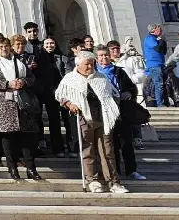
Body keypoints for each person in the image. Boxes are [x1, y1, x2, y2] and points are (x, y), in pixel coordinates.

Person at [56, 51, 129, 194]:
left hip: (103, 117)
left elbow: (112, 94)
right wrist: (70, 104)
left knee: (107, 151)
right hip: (83, 117)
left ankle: (113, 182)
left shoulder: (101, 77)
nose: (90, 66)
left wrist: (111, 106)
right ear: (78, 64)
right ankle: (92, 180)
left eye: (91, 63)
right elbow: (60, 95)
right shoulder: (70, 78)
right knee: (87, 149)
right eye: (86, 64)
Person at [0, 38, 42, 180]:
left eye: (6, 46)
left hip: (22, 104)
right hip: (4, 105)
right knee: (8, 138)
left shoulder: (18, 61)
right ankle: (12, 168)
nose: (4, 49)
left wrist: (22, 82)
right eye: (0, 47)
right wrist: (7, 83)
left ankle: (31, 169)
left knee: (27, 138)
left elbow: (32, 78)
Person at [94, 45, 146, 181]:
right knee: (111, 144)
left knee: (126, 142)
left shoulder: (119, 72)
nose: (104, 57)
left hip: (122, 111)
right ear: (96, 58)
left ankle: (132, 170)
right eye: (101, 55)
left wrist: (129, 92)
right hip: (104, 113)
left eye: (106, 55)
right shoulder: (93, 72)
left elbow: (131, 87)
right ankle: (114, 170)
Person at [110, 39, 146, 150]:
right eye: (113, 48)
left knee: (133, 116)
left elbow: (141, 73)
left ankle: (137, 139)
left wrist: (131, 80)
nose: (115, 50)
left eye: (117, 48)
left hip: (128, 92)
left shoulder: (129, 60)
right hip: (113, 95)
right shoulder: (106, 63)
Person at [142, 24, 167, 107]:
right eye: (159, 28)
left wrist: (162, 41)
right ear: (154, 29)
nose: (161, 30)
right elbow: (158, 49)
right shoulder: (149, 39)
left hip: (160, 64)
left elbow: (164, 51)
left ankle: (163, 102)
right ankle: (160, 104)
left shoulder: (156, 39)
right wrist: (160, 40)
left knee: (162, 84)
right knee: (158, 84)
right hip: (154, 65)